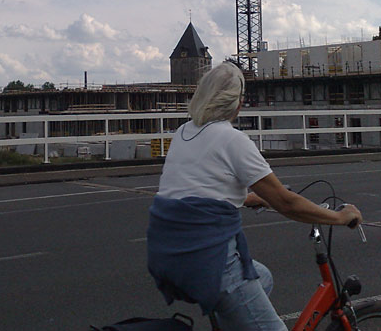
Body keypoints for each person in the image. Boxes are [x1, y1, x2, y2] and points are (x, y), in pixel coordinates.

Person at [147, 61, 362, 331]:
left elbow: (193, 190)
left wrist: (248, 198)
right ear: (237, 103)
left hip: (166, 259)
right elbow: (286, 203)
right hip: (210, 264)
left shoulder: (183, 133)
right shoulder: (232, 140)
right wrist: (340, 217)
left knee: (263, 277)